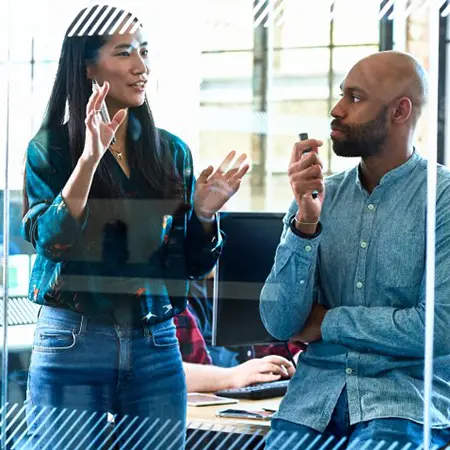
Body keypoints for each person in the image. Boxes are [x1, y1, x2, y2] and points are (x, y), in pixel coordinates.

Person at [20, 4, 248, 450]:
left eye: (144, 51)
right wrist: (89, 159)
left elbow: (187, 267)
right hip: (74, 338)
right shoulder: (50, 149)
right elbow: (53, 242)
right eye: (125, 53)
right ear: (88, 67)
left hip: (156, 344)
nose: (141, 67)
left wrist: (204, 214)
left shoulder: (170, 153)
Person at [260, 50, 450, 449]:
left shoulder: (442, 199)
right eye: (342, 95)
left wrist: (327, 322)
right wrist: (305, 225)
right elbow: (280, 322)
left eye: (355, 98)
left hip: (402, 405)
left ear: (400, 111)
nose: (337, 109)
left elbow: (437, 328)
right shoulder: (317, 195)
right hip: (310, 406)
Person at [174, 302, 297, 393]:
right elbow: (159, 372)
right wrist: (234, 376)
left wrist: (292, 364)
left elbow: (277, 346)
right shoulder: (165, 302)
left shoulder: (229, 289)